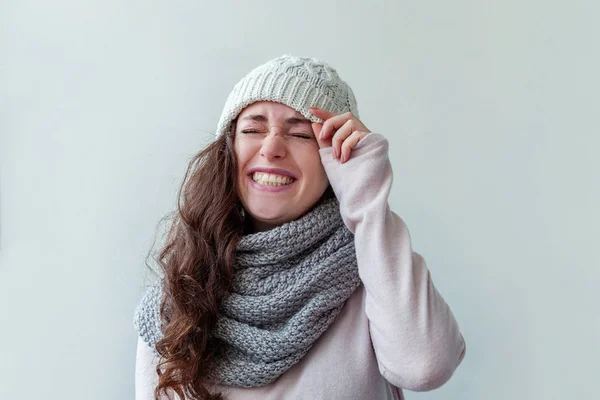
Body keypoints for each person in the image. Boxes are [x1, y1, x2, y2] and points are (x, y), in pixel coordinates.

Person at [133, 54, 466, 400]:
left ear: (335, 158)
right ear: (228, 152)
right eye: (252, 129)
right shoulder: (174, 304)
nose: (272, 147)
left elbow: (426, 366)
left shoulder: (374, 276)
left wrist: (368, 199)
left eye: (300, 134)